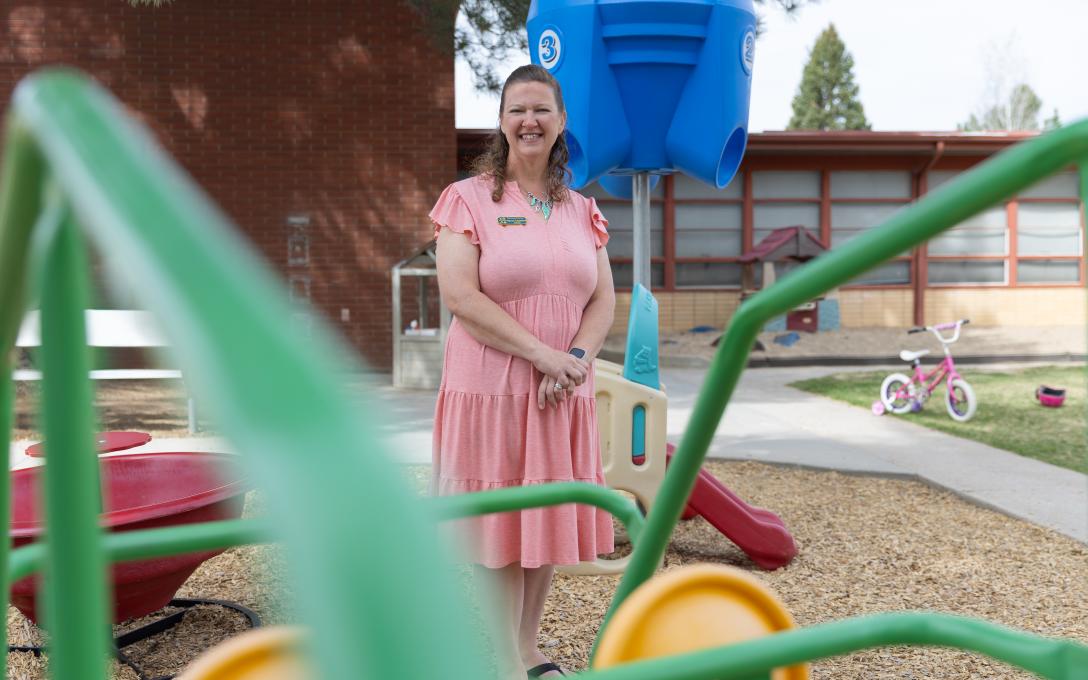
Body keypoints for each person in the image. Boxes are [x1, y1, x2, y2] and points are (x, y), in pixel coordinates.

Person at [429, 64, 615, 679]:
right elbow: (460, 295)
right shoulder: (469, 199)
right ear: (502, 122)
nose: (529, 120)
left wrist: (576, 362)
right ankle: (505, 662)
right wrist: (542, 355)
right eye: (517, 110)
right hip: (493, 386)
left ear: (562, 123)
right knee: (501, 526)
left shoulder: (582, 209)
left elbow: (603, 299)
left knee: (545, 518)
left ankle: (528, 650)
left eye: (541, 109)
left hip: (561, 389)